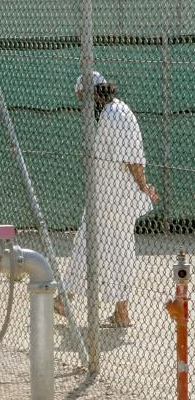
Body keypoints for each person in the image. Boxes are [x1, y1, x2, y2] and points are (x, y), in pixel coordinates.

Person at [56, 71, 157, 329]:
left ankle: (119, 311)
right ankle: (65, 299)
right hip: (104, 196)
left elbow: (132, 157)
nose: (82, 105)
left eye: (82, 98)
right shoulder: (106, 114)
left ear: (92, 95)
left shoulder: (117, 115)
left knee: (116, 250)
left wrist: (143, 187)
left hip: (117, 197)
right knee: (87, 241)